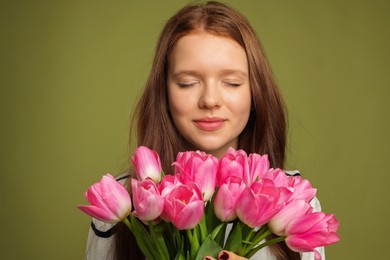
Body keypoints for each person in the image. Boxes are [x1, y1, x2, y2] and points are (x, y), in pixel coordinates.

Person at [85, 1, 324, 259]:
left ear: (256, 93)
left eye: (232, 83)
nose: (210, 100)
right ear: (164, 94)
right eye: (187, 83)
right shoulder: (120, 199)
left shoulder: (295, 201)